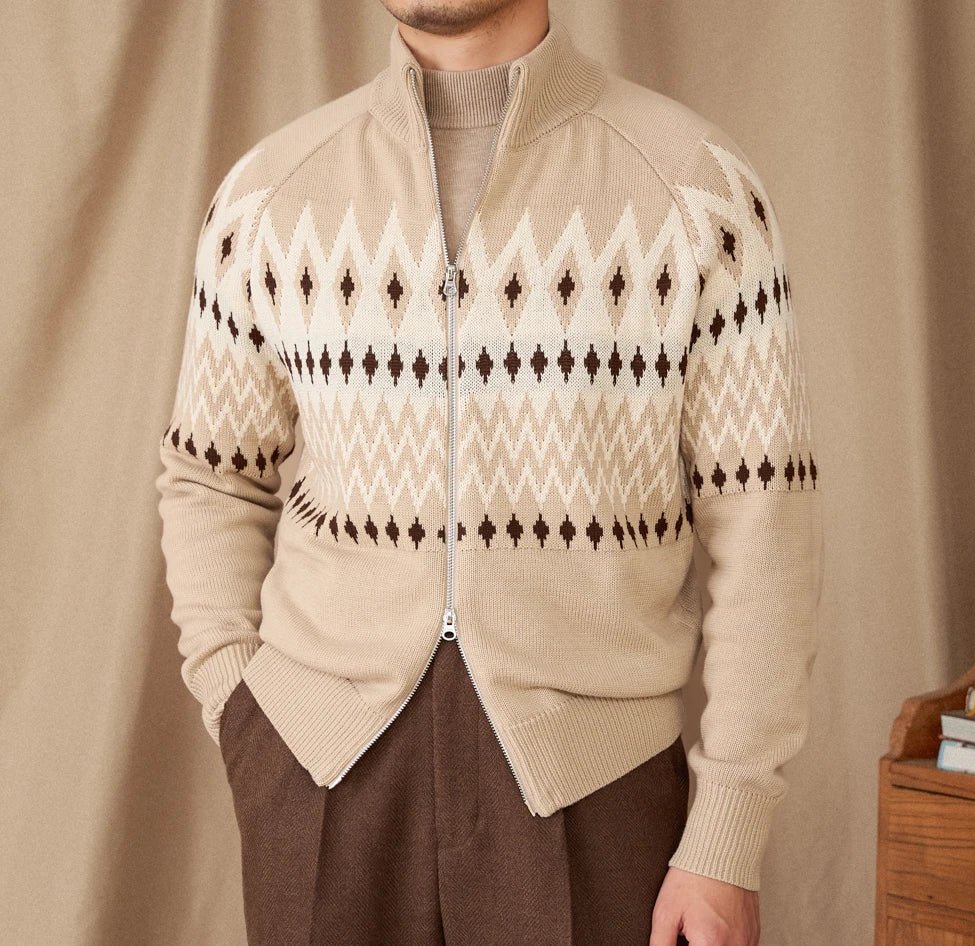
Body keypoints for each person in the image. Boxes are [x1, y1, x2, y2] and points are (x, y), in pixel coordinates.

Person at [155, 1, 824, 944]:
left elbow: (766, 519)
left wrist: (726, 835)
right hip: (317, 776)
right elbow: (210, 476)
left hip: (599, 790)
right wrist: (241, 704)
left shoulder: (696, 190)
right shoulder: (269, 196)